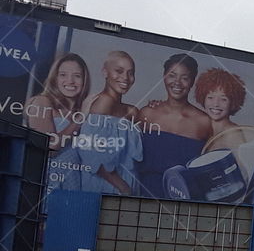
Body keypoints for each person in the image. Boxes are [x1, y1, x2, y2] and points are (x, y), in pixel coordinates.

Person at [136, 54, 212, 198]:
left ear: (192, 82)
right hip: (144, 197)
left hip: (185, 201)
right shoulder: (147, 113)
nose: (177, 82)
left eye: (184, 78)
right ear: (164, 77)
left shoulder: (203, 122)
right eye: (172, 75)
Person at [77, 51, 143, 195]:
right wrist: (123, 188)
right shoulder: (102, 102)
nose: (125, 77)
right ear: (105, 72)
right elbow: (92, 154)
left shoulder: (131, 110)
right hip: (107, 186)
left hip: (128, 184)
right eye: (119, 71)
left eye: (131, 73)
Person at [25, 53, 91, 190]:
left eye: (77, 76)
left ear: (84, 80)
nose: (70, 81)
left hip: (74, 186)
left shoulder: (81, 109)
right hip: (48, 185)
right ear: (54, 78)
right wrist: (79, 120)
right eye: (63, 75)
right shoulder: (42, 102)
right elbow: (50, 148)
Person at [195, 68, 254, 152]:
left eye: (223, 99)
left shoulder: (234, 134)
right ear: (203, 98)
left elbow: (243, 164)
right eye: (210, 97)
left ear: (232, 102)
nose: (216, 104)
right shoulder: (199, 127)